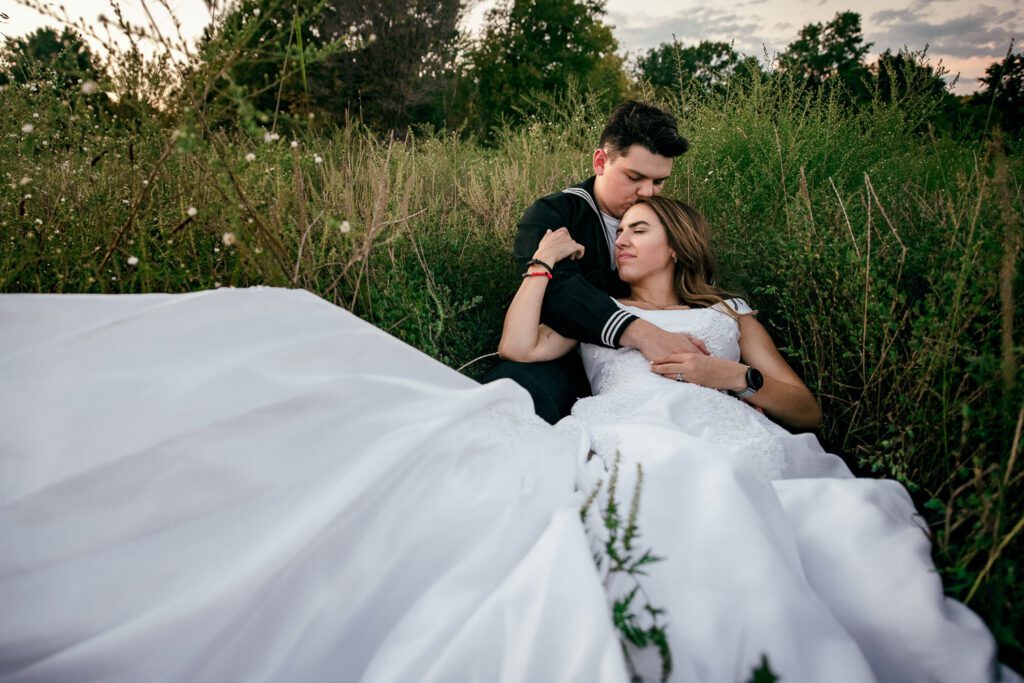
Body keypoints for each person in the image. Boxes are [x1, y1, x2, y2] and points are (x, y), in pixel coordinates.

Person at [497, 196, 1011, 681]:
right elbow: (519, 346)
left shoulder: (725, 314)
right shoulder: (599, 310)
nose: (621, 241)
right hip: (633, 431)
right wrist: (542, 263)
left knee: (839, 532)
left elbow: (806, 411)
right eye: (620, 231)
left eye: (638, 229)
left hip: (729, 431)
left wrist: (731, 376)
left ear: (675, 245)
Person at [486, 100, 706, 424]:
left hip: (652, 374)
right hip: (565, 357)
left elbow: (693, 286)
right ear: (601, 161)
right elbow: (558, 293)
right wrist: (641, 332)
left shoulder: (669, 223)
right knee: (510, 396)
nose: (648, 192)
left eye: (659, 182)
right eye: (635, 177)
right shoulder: (554, 215)